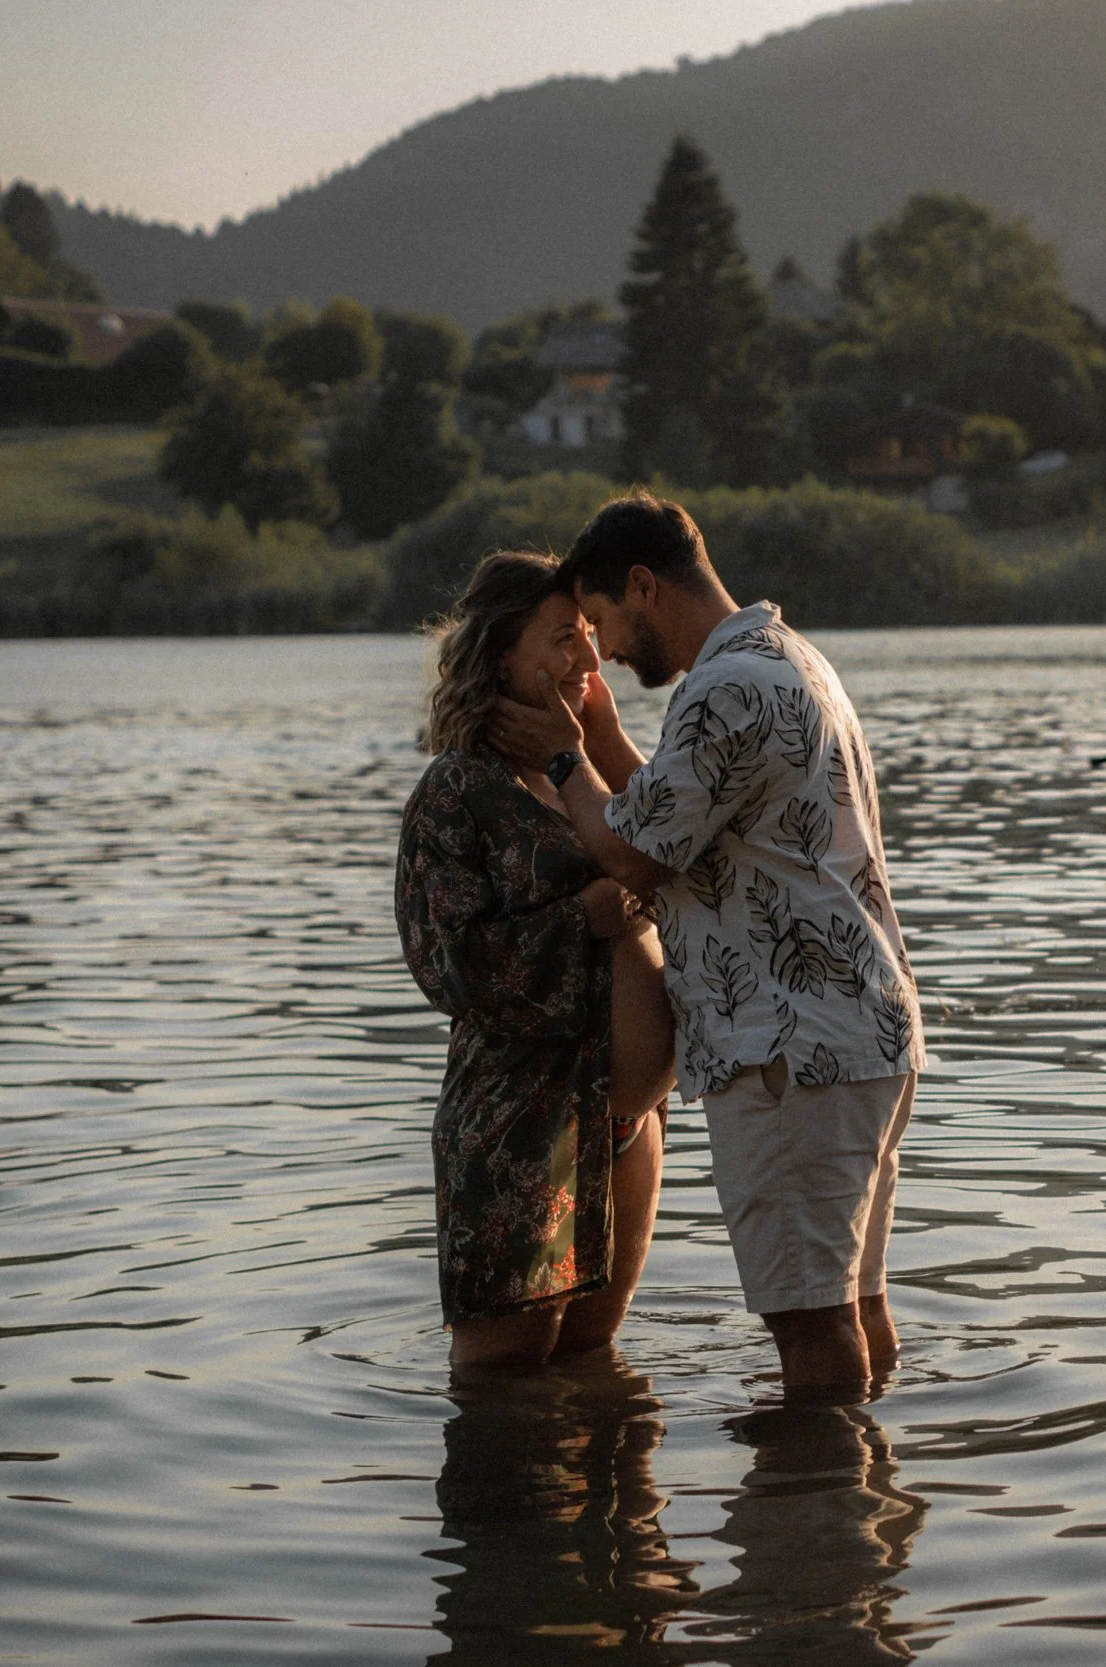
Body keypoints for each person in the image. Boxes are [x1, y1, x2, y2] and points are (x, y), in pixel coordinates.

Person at [490, 494, 924, 1404]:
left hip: (789, 1051)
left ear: (643, 586)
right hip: (860, 1034)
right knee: (856, 1309)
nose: (598, 648)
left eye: (601, 619)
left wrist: (566, 760)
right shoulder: (787, 658)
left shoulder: (723, 687)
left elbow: (636, 850)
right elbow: (688, 822)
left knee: (809, 1326)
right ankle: (866, 1509)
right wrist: (605, 737)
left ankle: (809, 1530)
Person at [396, 550, 675, 1376]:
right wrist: (583, 917)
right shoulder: (455, 792)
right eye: (563, 638)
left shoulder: (581, 775)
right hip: (522, 1130)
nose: (589, 659)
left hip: (623, 1127)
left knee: (595, 1367)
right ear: (498, 657)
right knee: (501, 1380)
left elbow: (682, 866)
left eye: (590, 635)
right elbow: (447, 964)